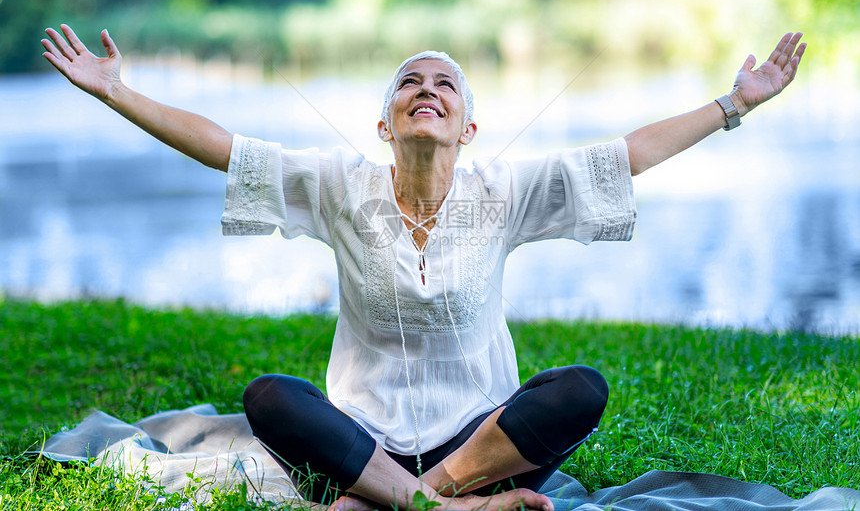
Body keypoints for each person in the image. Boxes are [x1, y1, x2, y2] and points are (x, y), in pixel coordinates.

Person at [41, 25, 805, 511]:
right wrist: (118, 93)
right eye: (411, 82)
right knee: (271, 397)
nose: (427, 91)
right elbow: (226, 148)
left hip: (482, 445)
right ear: (385, 122)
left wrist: (734, 103)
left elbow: (627, 155)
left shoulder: (504, 190)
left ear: (468, 127)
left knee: (579, 389)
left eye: (445, 85)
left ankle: (419, 499)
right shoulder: (338, 183)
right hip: (361, 443)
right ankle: (452, 509)